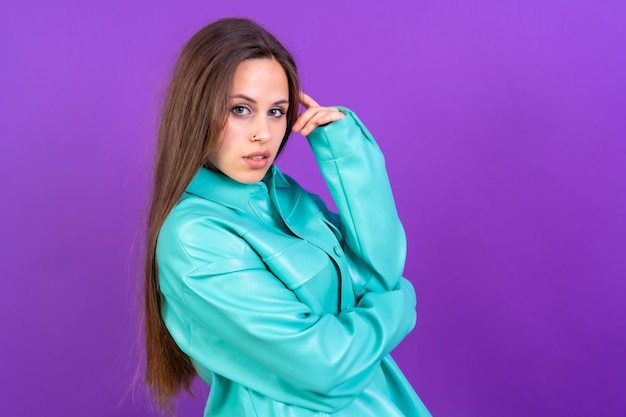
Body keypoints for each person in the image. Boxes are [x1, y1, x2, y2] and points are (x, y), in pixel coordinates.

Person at [143, 17, 431, 417]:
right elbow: (326, 364)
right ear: (197, 110)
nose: (263, 133)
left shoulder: (280, 192)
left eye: (276, 111)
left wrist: (345, 152)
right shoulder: (194, 236)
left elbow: (379, 272)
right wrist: (401, 304)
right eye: (240, 109)